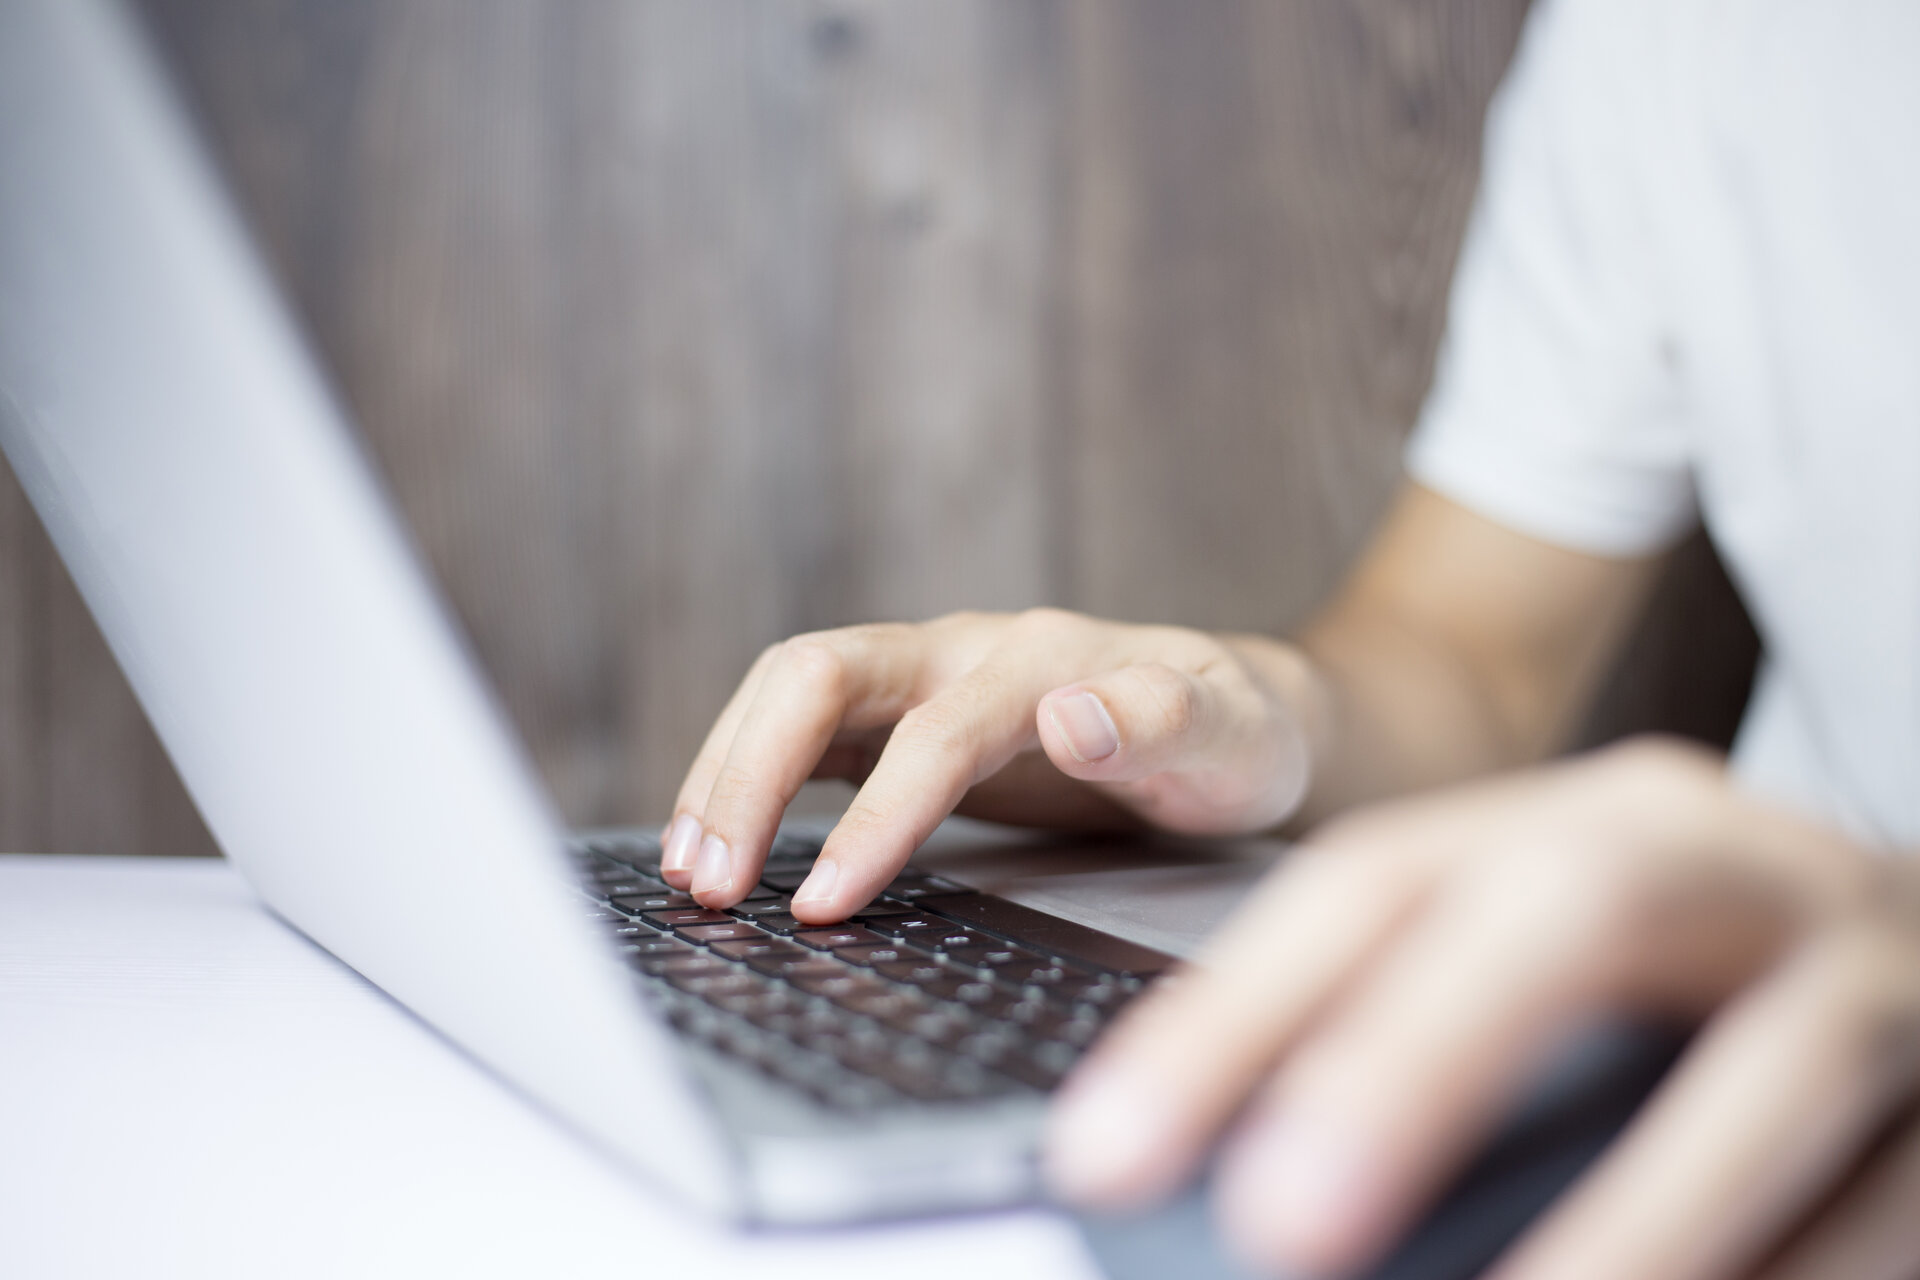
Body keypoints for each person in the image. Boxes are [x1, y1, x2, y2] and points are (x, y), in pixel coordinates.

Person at [655, 1, 1920, 1275]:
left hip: (1818, 1095)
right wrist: (1253, 712)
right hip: (1725, 1077)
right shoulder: (1674, 36)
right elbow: (1478, 658)